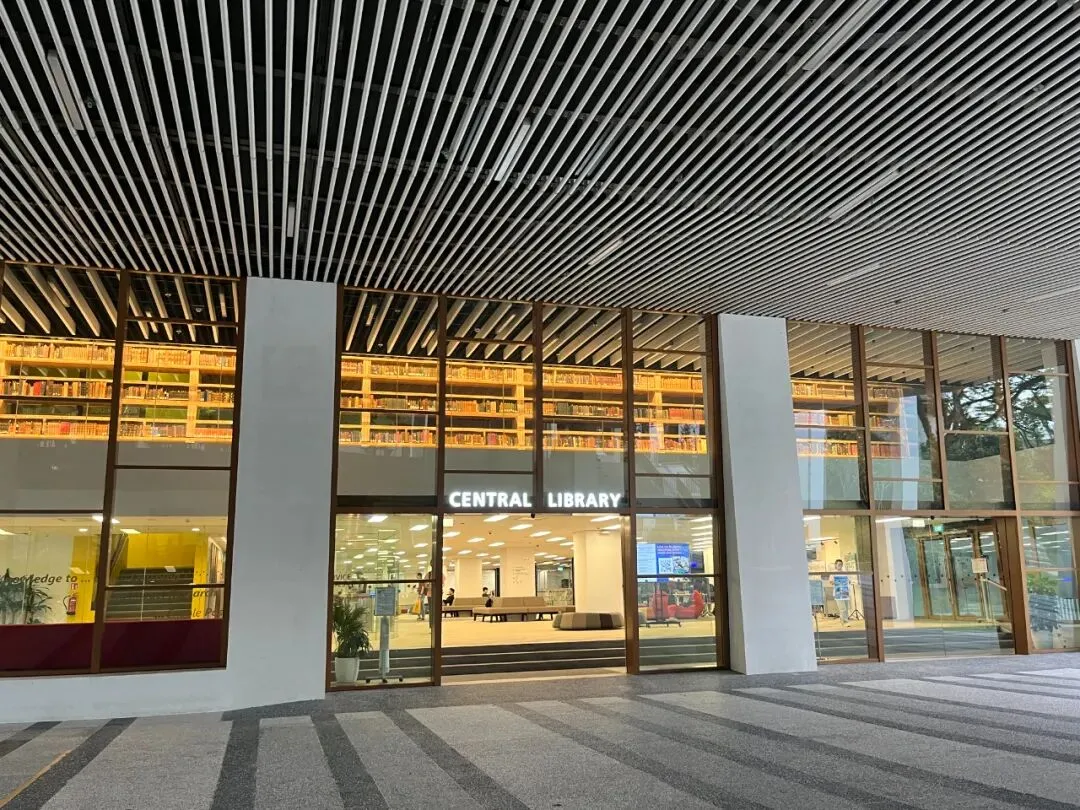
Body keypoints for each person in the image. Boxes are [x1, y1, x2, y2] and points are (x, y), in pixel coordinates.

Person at [831, 559, 851, 625]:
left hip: (845, 591)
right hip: (838, 592)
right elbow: (831, 581)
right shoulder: (833, 573)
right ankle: (844, 622)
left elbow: (849, 580)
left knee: (846, 607)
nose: (840, 566)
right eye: (839, 564)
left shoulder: (844, 572)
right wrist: (837, 583)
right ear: (835, 565)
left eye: (841, 564)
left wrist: (848, 582)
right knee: (842, 608)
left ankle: (845, 620)